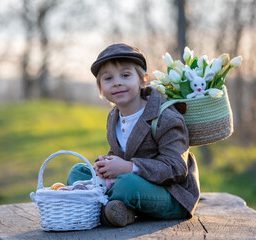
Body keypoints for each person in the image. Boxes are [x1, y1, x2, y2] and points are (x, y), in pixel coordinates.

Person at [67, 43, 200, 227]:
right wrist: (106, 164)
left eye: (125, 75)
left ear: (143, 80)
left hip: (169, 194)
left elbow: (176, 168)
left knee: (127, 184)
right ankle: (120, 211)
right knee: (78, 172)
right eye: (108, 78)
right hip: (128, 183)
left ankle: (98, 211)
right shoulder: (114, 116)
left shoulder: (166, 117)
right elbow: (121, 153)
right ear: (100, 89)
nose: (117, 82)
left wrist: (129, 167)